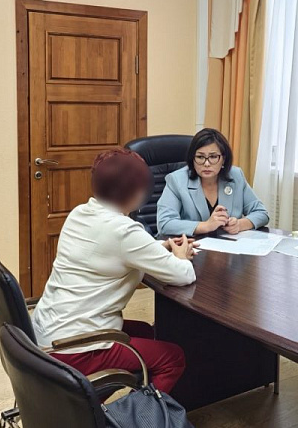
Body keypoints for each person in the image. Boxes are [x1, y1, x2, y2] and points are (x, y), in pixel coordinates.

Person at [32, 148, 198, 395]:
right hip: (75, 349)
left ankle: (136, 397)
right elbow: (184, 275)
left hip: (47, 332)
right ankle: (138, 412)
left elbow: (113, 250)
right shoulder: (124, 231)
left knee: (146, 332)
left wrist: (159, 247)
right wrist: (181, 256)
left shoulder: (79, 213)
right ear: (136, 193)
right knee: (172, 358)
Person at [157, 128, 269, 236]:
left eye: (213, 157)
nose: (206, 163)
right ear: (192, 159)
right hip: (191, 245)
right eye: (200, 157)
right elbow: (165, 223)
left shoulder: (236, 176)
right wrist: (206, 226)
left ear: (223, 159)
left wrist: (240, 225)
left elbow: (261, 213)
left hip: (227, 245)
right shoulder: (176, 180)